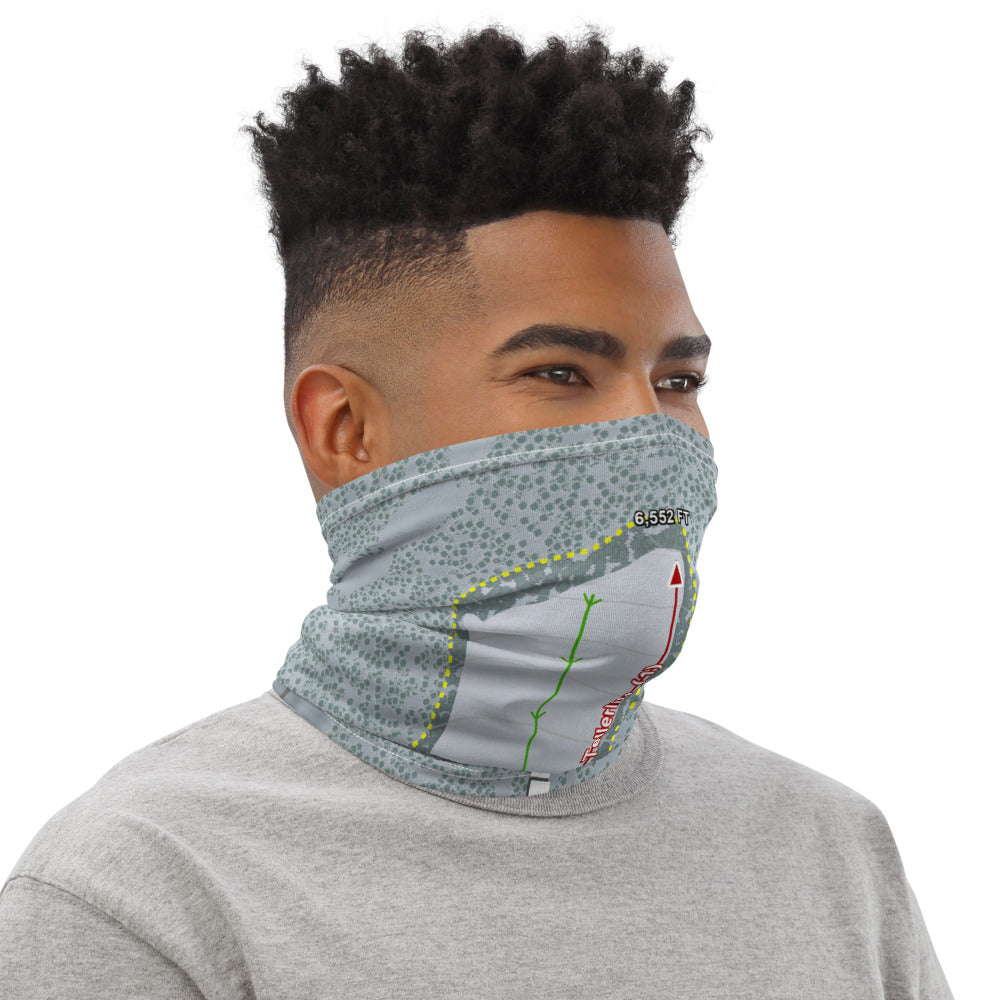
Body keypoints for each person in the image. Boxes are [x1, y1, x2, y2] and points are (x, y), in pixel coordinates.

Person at [0, 23, 954, 999]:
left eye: (677, 380)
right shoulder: (144, 887)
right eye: (559, 372)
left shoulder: (831, 850)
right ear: (344, 429)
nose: (651, 434)